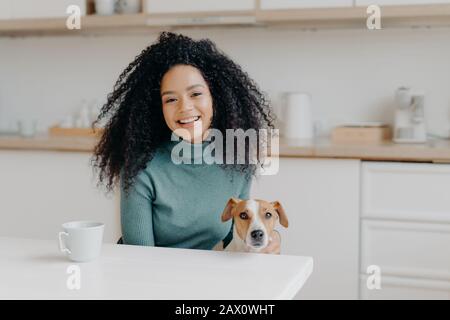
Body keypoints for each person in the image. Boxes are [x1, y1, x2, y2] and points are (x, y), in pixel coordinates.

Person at [91, 32, 280, 253]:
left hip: (203, 276)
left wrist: (270, 238)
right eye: (171, 99)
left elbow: (237, 239)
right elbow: (139, 259)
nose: (184, 108)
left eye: (196, 94)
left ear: (216, 97)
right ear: (157, 108)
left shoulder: (237, 162)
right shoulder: (142, 167)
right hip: (150, 279)